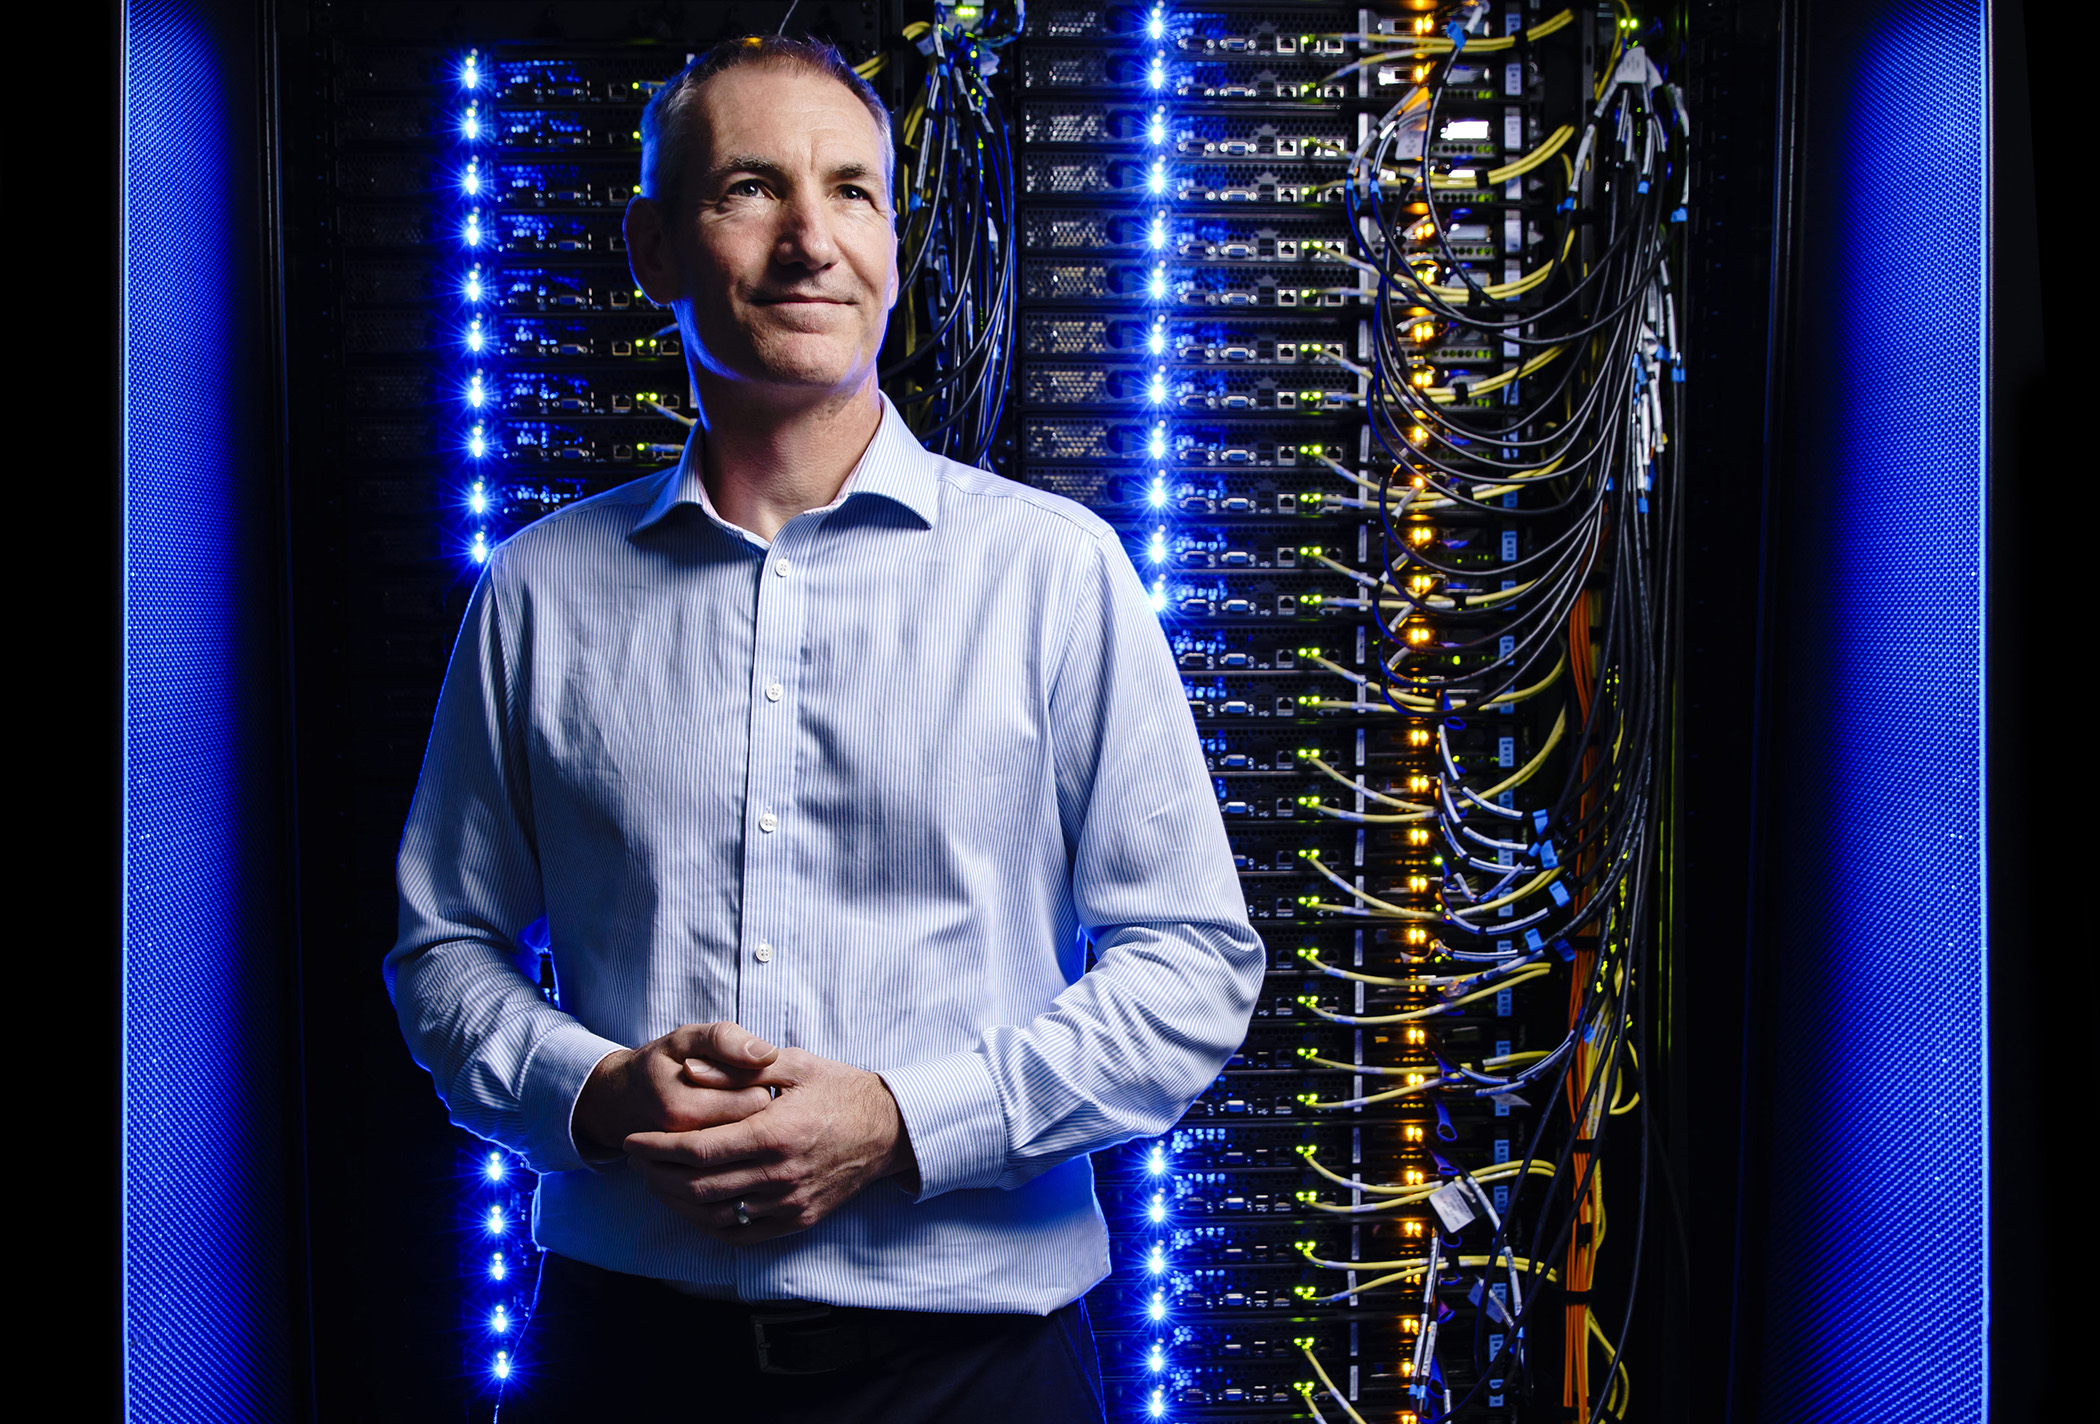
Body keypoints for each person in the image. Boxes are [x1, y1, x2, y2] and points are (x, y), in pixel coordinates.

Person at [386, 34, 1263, 1423]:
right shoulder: (541, 590)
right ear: (653, 249)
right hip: (625, 1363)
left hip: (978, 1372)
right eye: (752, 189)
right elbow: (442, 955)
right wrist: (600, 1089)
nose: (813, 241)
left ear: (896, 243)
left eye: (853, 191)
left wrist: (906, 1125)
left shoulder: (1055, 575)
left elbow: (1195, 970)